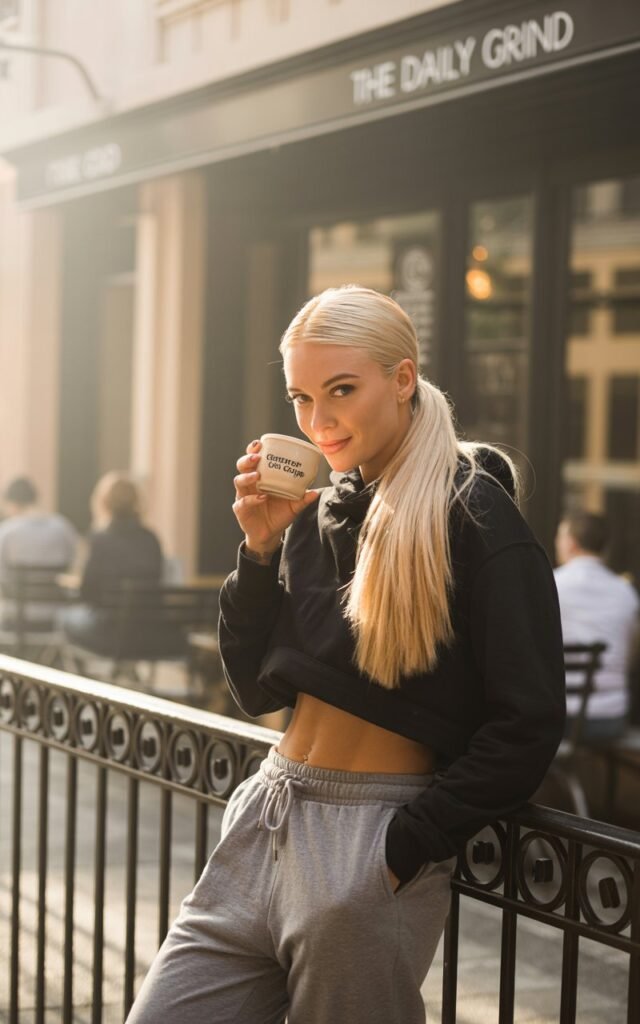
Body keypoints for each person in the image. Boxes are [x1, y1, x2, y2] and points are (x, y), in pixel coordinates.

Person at [126, 286, 565, 1024]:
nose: (317, 420)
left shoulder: (475, 515)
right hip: (267, 811)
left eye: (341, 390)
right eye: (301, 396)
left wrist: (405, 847)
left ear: (402, 379)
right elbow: (252, 687)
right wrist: (260, 550)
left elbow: (527, 720)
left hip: (368, 845)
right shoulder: (320, 510)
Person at [554, 512, 640, 741]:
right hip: (610, 719)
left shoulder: (549, 585)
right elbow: (631, 656)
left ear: (570, 543)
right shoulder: (626, 593)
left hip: (558, 718)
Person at [61, 472, 163, 653]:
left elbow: (87, 590)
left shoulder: (99, 539)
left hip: (107, 630)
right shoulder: (151, 538)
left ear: (103, 502)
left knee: (63, 617)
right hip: (147, 630)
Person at [0, 476, 77, 629]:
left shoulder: (7, 532)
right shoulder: (63, 527)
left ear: (12, 503)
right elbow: (71, 564)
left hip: (15, 614)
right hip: (56, 613)